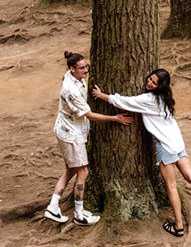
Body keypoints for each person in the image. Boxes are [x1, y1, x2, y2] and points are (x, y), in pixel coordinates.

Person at [91, 69, 191, 237]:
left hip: (165, 146)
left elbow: (124, 102)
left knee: (171, 186)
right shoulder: (166, 98)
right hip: (177, 142)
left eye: (153, 82)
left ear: (159, 86)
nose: (149, 82)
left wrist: (101, 96)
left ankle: (179, 226)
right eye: (149, 79)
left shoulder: (148, 99)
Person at [45, 51, 135, 226]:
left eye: (87, 66)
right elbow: (89, 115)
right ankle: (79, 214)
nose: (86, 71)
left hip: (71, 130)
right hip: (71, 134)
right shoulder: (70, 90)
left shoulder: (74, 77)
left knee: (71, 170)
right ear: (72, 69)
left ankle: (53, 206)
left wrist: (101, 95)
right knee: (83, 172)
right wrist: (115, 119)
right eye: (81, 68)